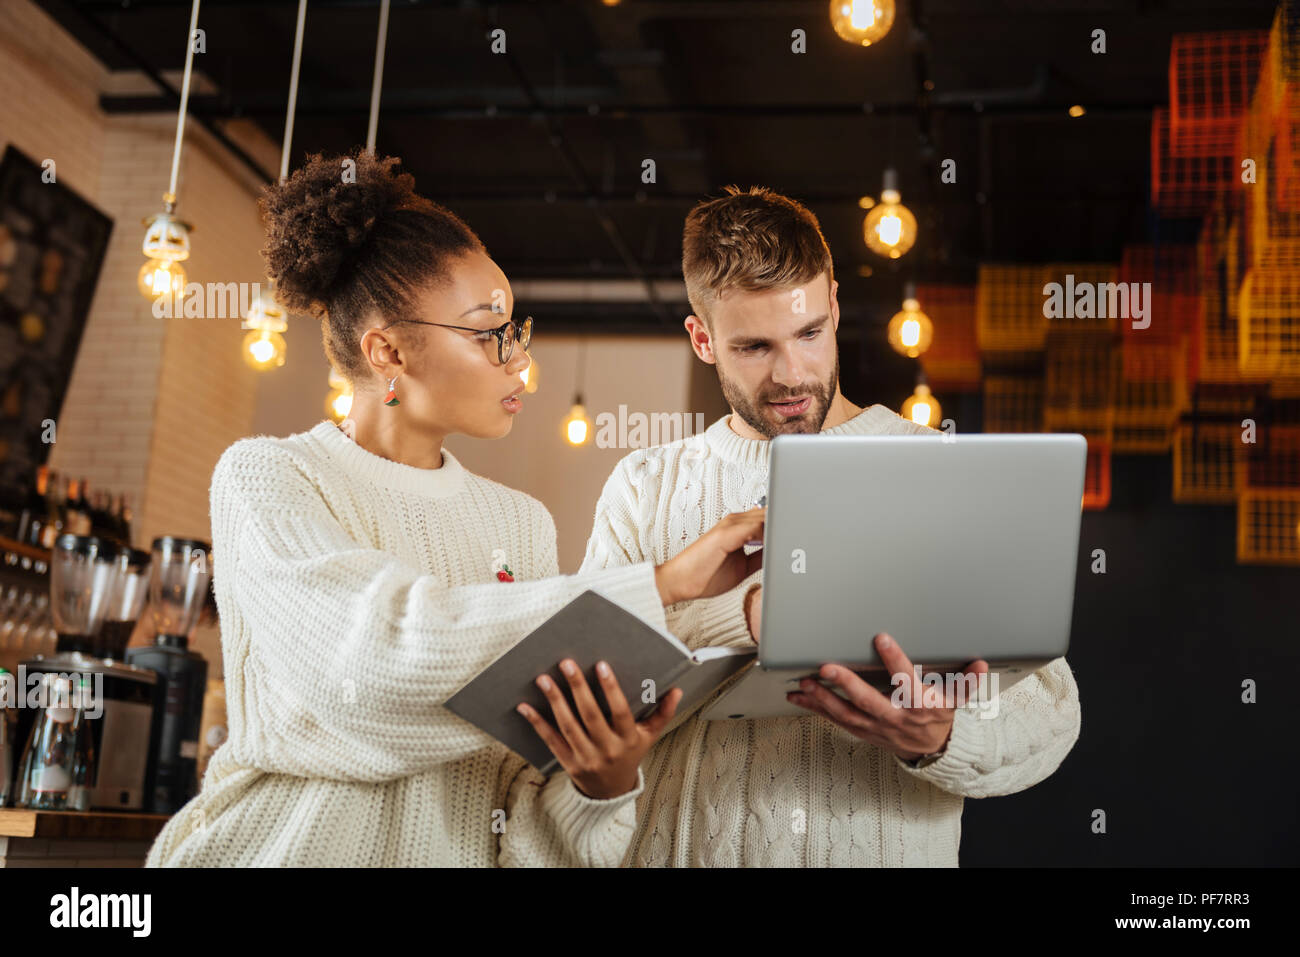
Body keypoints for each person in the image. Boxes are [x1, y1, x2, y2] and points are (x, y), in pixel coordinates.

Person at [144, 151, 764, 867]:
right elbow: (378, 656)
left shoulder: (519, 524)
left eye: (515, 330)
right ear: (388, 351)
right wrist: (660, 584)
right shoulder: (270, 477)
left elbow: (520, 809)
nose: (519, 362)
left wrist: (601, 782)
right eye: (486, 333)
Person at [580, 185, 1082, 867]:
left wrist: (942, 734)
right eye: (754, 346)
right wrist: (740, 615)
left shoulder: (937, 464)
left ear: (835, 306)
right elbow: (585, 696)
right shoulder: (644, 484)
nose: (793, 375)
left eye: (809, 333)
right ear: (703, 339)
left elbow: (1052, 713)